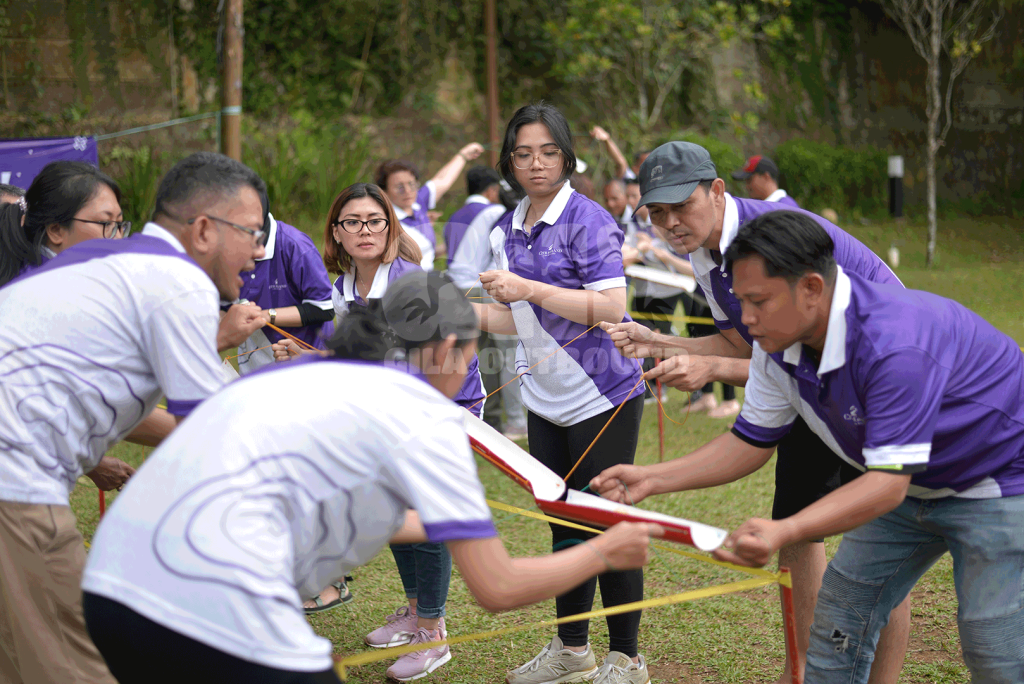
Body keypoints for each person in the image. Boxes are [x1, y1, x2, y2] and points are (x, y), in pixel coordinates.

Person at [80, 270, 662, 684]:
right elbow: (497, 587)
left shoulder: (294, 376)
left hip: (111, 589)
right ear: (454, 346)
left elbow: (160, 421)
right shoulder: (425, 423)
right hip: (215, 610)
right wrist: (604, 550)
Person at [594, 210, 1024, 684]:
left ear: (813, 289)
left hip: (999, 482)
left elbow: (884, 486)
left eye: (759, 301)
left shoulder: (894, 344)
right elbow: (749, 441)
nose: (747, 320)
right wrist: (651, 479)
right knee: (839, 625)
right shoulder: (779, 342)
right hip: (911, 488)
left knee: (993, 647)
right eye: (740, 301)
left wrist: (786, 529)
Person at [600, 141, 910, 684]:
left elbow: (775, 359)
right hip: (802, 379)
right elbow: (748, 349)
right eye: (657, 212)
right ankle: (806, 674)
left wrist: (707, 369)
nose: (671, 223)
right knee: (795, 534)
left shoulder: (775, 240)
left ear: (717, 192)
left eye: (682, 206)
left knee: (879, 546)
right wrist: (661, 342)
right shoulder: (704, 252)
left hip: (877, 374)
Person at [0, 151, 266, 684]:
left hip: (20, 489)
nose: (259, 252)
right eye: (252, 232)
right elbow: (214, 435)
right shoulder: (176, 281)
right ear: (205, 230)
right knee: (83, 667)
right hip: (17, 495)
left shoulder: (115, 269)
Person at [475, 102, 650, 684]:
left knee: (606, 520)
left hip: (604, 394)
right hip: (543, 398)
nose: (536, 164)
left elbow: (610, 308)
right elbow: (516, 321)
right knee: (563, 524)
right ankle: (572, 650)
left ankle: (628, 657)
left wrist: (528, 286)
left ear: (568, 156)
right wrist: (453, 313)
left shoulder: (589, 218)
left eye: (548, 152)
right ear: (508, 162)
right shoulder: (507, 227)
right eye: (523, 153)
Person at [308, 183, 484, 680]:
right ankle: (414, 611)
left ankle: (433, 633)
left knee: (422, 517)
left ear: (391, 226)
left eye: (375, 220)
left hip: (443, 407)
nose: (364, 231)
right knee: (395, 515)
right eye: (352, 222)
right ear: (337, 234)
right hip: (387, 414)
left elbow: (444, 360)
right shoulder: (343, 288)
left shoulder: (413, 284)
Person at [443, 166, 526, 438]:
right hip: (482, 289)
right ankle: (514, 421)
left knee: (477, 358)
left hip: (456, 292)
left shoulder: (454, 215)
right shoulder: (494, 212)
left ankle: (486, 420)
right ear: (492, 191)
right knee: (507, 357)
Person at [234, 192, 335, 374]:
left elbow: (323, 308)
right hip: (255, 363)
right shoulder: (225, 245)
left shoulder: (295, 246)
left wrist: (265, 316)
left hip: (304, 362)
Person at [376, 142, 484, 271]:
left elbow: (441, 180)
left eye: (411, 184)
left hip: (426, 282)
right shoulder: (383, 222)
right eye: (399, 187)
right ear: (384, 191)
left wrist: (463, 155)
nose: (408, 191)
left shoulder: (417, 204)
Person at [731, 156, 799, 207]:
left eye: (749, 180)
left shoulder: (785, 208)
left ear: (766, 176)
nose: (746, 186)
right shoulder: (770, 206)